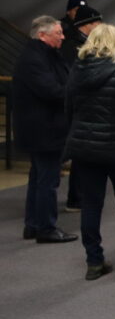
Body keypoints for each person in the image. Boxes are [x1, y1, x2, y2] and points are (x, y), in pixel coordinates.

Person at [65, 24, 115, 280]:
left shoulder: (75, 73)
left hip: (85, 148)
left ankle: (94, 261)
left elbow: (68, 109)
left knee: (91, 204)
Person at [14, 16, 77, 243]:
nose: (62, 36)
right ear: (42, 35)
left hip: (43, 127)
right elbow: (51, 90)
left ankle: (33, 225)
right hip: (44, 129)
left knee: (39, 178)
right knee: (47, 181)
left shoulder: (43, 55)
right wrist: (74, 93)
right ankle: (46, 228)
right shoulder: (35, 58)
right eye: (58, 33)